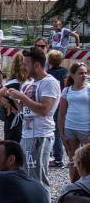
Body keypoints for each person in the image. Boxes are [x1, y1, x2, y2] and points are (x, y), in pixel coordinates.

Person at [9, 48, 61, 189]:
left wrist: (22, 97)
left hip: (41, 134)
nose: (23, 67)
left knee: (38, 177)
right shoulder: (28, 83)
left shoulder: (49, 82)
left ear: (37, 65)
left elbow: (44, 109)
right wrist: (15, 100)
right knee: (26, 173)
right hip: (26, 134)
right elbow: (25, 111)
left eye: (26, 64)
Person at [59, 62, 90, 181]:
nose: (84, 75)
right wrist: (61, 134)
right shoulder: (66, 90)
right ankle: (74, 184)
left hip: (86, 129)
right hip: (70, 129)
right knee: (73, 159)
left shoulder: (88, 89)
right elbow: (61, 114)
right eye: (81, 73)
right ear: (72, 75)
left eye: (85, 73)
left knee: (87, 160)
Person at [46, 50, 69, 168]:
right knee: (61, 131)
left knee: (51, 130)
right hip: (63, 103)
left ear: (49, 61)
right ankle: (63, 158)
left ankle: (53, 157)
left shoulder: (48, 74)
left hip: (52, 103)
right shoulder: (66, 72)